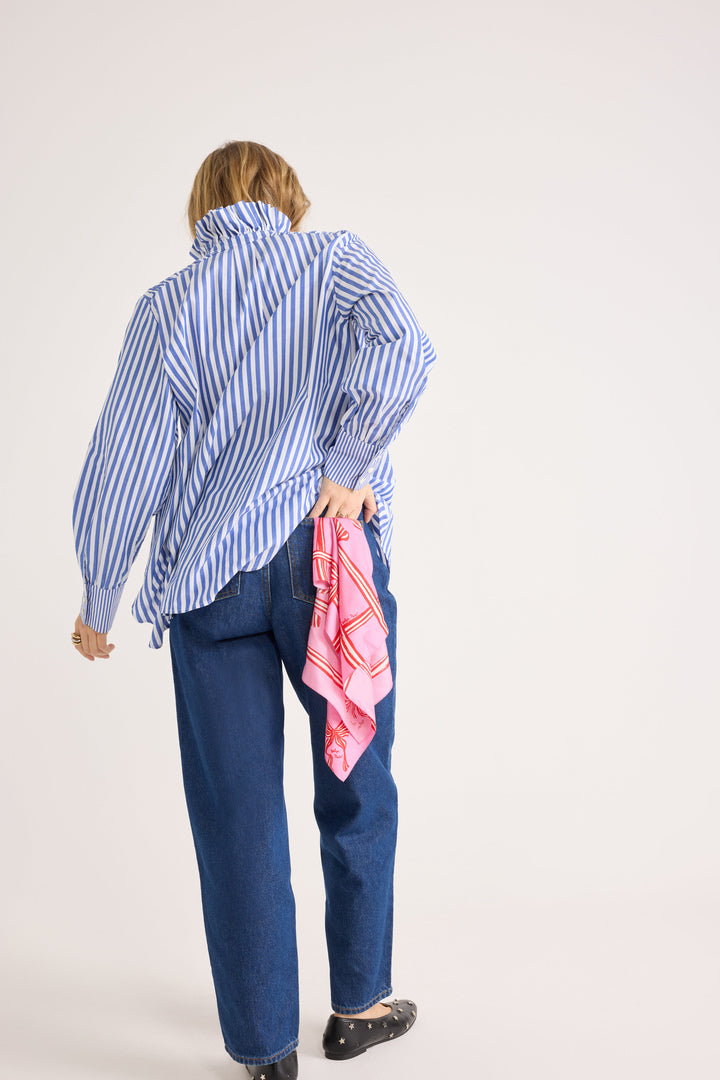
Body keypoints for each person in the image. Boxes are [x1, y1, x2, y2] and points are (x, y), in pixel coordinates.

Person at [70, 139, 437, 1079]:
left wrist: (100, 596)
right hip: (329, 564)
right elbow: (406, 346)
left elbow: (125, 460)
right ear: (286, 196)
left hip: (209, 582)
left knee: (236, 817)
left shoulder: (167, 306)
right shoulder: (335, 260)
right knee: (356, 783)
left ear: (203, 206)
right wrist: (345, 470)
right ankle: (359, 1007)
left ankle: (265, 1051)